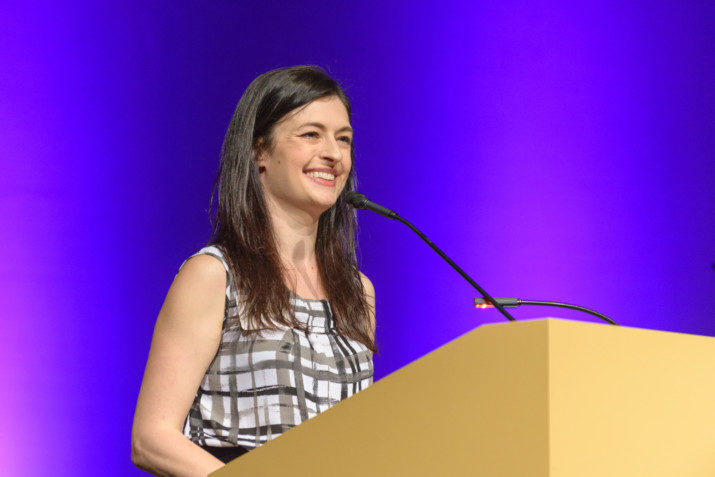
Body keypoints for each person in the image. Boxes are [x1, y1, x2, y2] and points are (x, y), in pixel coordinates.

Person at [131, 65, 377, 476]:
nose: (334, 154)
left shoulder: (357, 291)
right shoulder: (214, 275)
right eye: (311, 134)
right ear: (259, 151)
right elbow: (151, 438)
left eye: (344, 139)